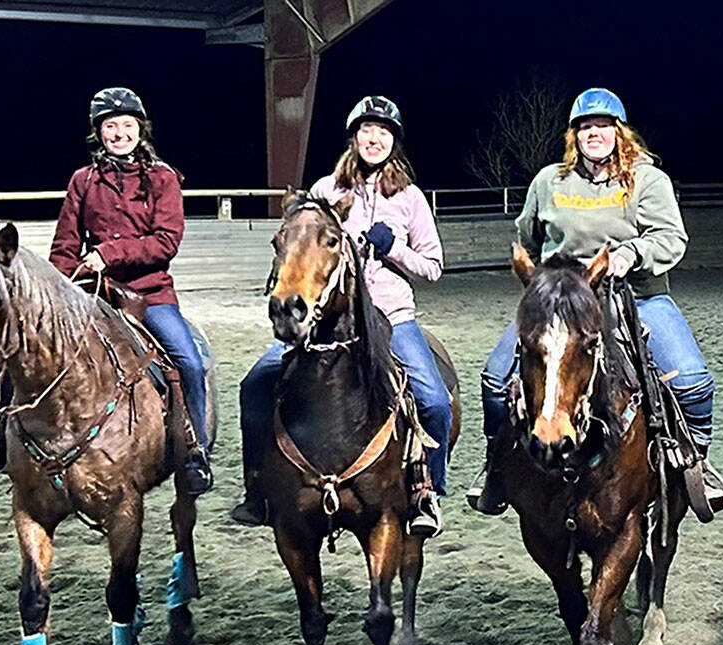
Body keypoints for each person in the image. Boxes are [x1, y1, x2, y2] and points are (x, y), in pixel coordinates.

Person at [468, 87, 723, 517]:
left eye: (603, 126)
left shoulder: (647, 180)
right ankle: (496, 471)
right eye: (585, 127)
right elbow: (527, 236)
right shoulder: (549, 181)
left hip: (635, 296)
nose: (594, 133)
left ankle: (695, 464)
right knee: (496, 380)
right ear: (574, 136)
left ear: (619, 132)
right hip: (559, 305)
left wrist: (630, 255)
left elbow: (671, 238)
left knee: (693, 383)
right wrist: (542, 282)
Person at [231, 95, 451, 536]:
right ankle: (257, 489)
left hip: (389, 316)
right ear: (353, 138)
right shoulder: (325, 191)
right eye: (367, 130)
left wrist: (395, 250)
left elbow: (433, 266)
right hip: (322, 321)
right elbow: (296, 247)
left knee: (435, 401)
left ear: (395, 142)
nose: (375, 138)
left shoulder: (409, 199)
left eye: (384, 132)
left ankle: (427, 490)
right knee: (255, 385)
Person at [45, 86, 212, 493]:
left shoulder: (163, 178)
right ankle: (9, 433)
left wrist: (109, 253)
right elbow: (65, 243)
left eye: (126, 125)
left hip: (149, 292)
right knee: (38, 342)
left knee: (188, 361)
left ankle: (195, 452)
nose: (119, 133)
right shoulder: (83, 180)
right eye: (110, 126)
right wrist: (59, 289)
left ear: (141, 128)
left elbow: (165, 241)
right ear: (98, 133)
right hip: (92, 293)